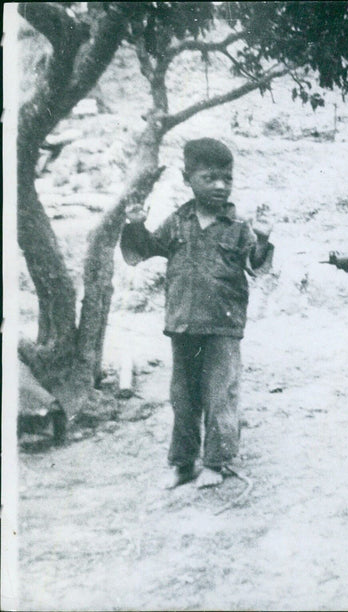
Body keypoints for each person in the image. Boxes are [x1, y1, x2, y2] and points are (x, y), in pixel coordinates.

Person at [120, 138, 274, 489]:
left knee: (221, 394)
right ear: (188, 178)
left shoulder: (238, 228)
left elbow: (255, 265)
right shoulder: (178, 222)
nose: (220, 186)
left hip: (222, 324)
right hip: (184, 322)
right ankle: (184, 463)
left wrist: (262, 238)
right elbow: (144, 250)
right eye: (209, 178)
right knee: (184, 396)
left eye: (227, 178)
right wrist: (135, 226)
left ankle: (216, 463)